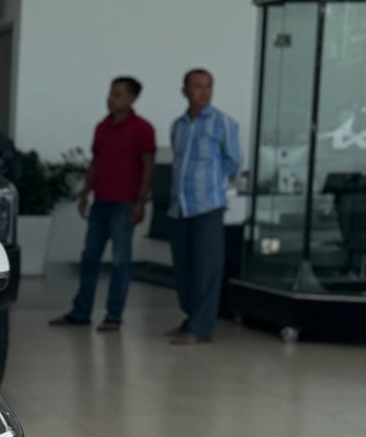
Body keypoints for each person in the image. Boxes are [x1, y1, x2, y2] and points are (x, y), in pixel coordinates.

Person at [50, 76, 156, 331]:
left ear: (132, 98)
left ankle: (114, 315)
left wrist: (140, 201)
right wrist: (85, 194)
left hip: (125, 204)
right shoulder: (103, 127)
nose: (111, 99)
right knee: (89, 258)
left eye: (118, 94)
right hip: (101, 202)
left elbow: (148, 165)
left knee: (120, 261)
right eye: (111, 93)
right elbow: (95, 163)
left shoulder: (142, 128)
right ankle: (81, 312)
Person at [167, 68, 242, 345]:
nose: (204, 92)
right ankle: (191, 319)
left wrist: (215, 186)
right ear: (184, 91)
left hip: (207, 205)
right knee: (184, 269)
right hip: (180, 206)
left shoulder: (223, 123)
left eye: (208, 86)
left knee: (207, 269)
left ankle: (200, 328)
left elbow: (234, 161)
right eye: (197, 86)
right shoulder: (178, 126)